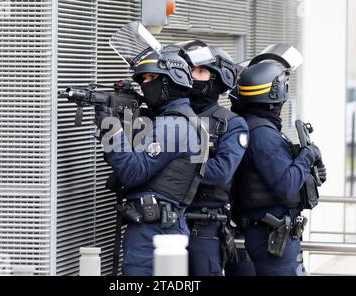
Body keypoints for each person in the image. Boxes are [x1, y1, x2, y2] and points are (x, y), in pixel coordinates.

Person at [94, 49, 207, 276]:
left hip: (154, 234)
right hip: (161, 228)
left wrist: (114, 133)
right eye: (142, 79)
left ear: (170, 81)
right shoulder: (182, 120)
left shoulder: (173, 125)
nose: (144, 85)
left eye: (150, 78)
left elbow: (133, 172)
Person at [230, 46, 327, 276]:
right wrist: (307, 155)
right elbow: (285, 185)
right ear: (274, 93)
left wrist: (308, 169)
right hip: (272, 237)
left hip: (274, 234)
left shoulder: (260, 128)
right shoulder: (263, 134)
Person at [178, 42, 250, 276]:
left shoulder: (231, 123)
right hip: (167, 222)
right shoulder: (171, 115)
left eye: (200, 71)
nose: (192, 77)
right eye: (190, 70)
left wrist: (170, 167)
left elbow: (220, 172)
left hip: (205, 225)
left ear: (218, 79)